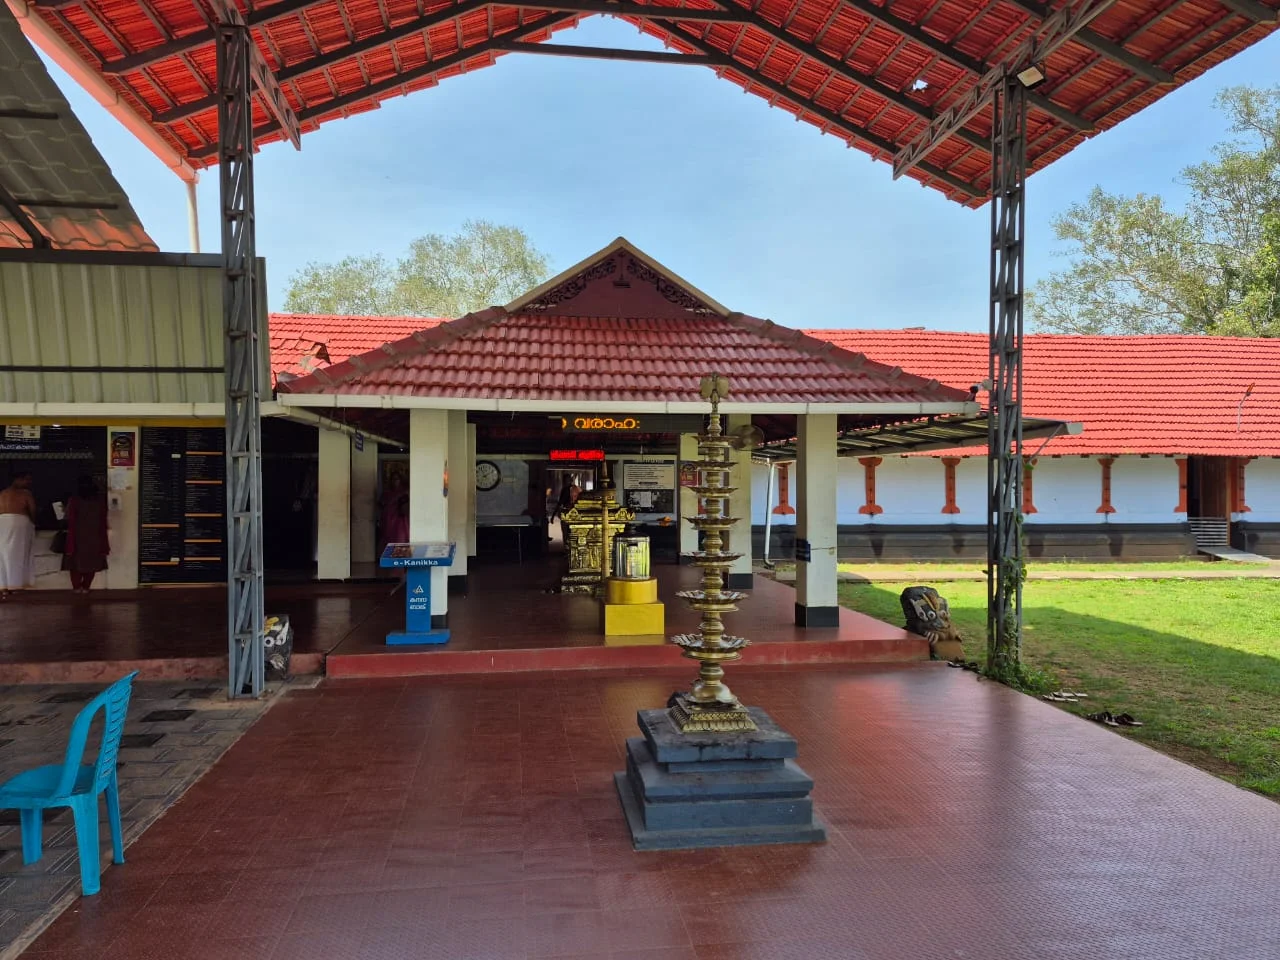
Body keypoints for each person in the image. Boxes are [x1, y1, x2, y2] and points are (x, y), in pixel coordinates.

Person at [63, 474, 109, 594]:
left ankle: (77, 587)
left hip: (77, 537)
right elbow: (104, 519)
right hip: (96, 537)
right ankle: (86, 587)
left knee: (75, 564)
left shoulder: (74, 501)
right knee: (92, 563)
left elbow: (67, 517)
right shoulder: (100, 502)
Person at [0, 471, 36, 600]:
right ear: (18, 480)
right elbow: (32, 510)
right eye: (27, 480)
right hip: (19, 523)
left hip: (2, 523)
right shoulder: (25, 494)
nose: (29, 483)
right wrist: (33, 522)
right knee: (17, 555)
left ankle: (3, 587)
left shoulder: (2, 493)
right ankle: (14, 586)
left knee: (3, 555)